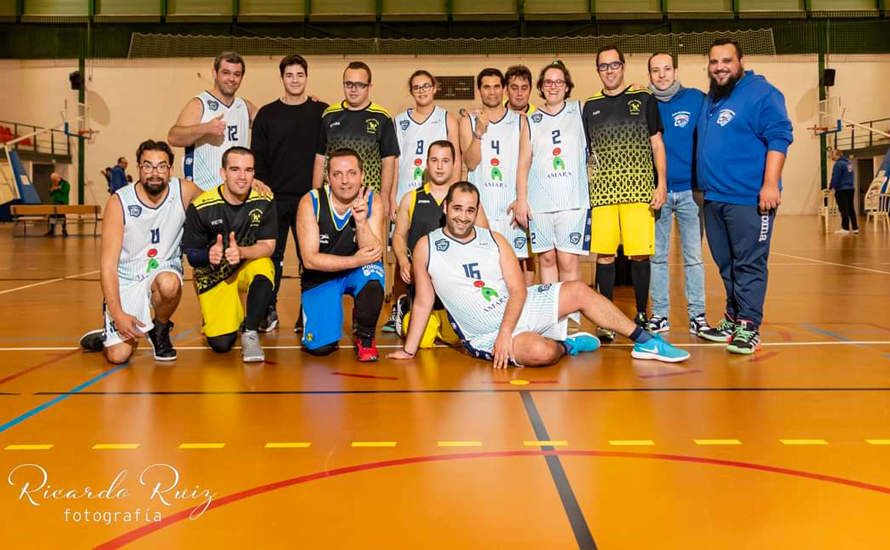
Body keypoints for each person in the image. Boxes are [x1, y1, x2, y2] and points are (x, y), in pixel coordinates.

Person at [388, 182, 689, 366]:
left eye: (470, 210)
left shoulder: (494, 239)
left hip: (519, 309)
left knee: (579, 290)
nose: (463, 216)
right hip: (485, 334)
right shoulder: (428, 246)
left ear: (476, 210)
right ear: (445, 207)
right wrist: (409, 351)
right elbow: (424, 302)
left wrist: (508, 330)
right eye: (457, 208)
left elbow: (519, 291)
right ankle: (566, 345)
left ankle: (646, 341)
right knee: (540, 353)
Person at [697, 38, 793, 355]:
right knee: (726, 264)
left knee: (749, 264)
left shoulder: (762, 93)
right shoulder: (715, 96)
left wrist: (770, 184)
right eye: (714, 62)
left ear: (741, 61)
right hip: (714, 197)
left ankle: (749, 325)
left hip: (749, 198)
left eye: (726, 61)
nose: (719, 67)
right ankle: (733, 316)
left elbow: (779, 137)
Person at [79, 140, 203, 364]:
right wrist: (117, 314)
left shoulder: (183, 191)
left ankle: (160, 330)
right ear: (138, 168)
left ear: (170, 169)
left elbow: (220, 201)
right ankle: (108, 335)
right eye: (148, 166)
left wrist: (255, 185)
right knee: (119, 356)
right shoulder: (119, 203)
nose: (154, 173)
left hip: (162, 269)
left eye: (161, 166)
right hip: (127, 276)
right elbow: (108, 266)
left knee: (170, 284)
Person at [582, 45, 668, 341]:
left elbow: (657, 143)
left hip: (639, 191)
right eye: (603, 66)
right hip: (604, 194)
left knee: (639, 256)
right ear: (598, 71)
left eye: (614, 65)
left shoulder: (644, 98)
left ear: (623, 66)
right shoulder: (590, 106)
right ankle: (606, 319)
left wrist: (662, 184)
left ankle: (642, 313)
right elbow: (588, 154)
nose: (609, 70)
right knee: (604, 257)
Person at [645, 52, 723, 341]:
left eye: (667, 69)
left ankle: (697, 317)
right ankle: (660, 315)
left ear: (675, 71)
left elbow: (713, 139)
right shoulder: (643, 103)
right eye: (656, 70)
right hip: (658, 193)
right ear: (649, 74)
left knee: (693, 257)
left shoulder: (696, 99)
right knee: (658, 258)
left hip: (691, 192)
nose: (662, 75)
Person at [251, 54, 329, 333]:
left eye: (299, 75)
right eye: (289, 75)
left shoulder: (322, 112)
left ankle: (306, 311)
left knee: (311, 259)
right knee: (273, 258)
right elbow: (257, 156)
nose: (295, 80)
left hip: (309, 200)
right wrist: (261, 185)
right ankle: (267, 310)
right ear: (282, 78)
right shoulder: (267, 114)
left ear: (306, 77)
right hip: (274, 199)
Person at [182, 147, 277, 363]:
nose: (242, 177)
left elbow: (268, 246)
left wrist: (241, 251)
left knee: (264, 266)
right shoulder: (201, 207)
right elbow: (192, 256)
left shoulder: (264, 200)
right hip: (215, 276)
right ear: (223, 173)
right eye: (235, 169)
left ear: (254, 173)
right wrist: (208, 255)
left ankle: (250, 332)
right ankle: (228, 313)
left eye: (248, 170)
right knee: (221, 345)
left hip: (245, 266)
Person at [298, 148, 385, 362]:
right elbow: (309, 260)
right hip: (321, 276)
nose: (345, 181)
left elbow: (374, 252)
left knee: (373, 275)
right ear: (328, 177)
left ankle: (365, 337)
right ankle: (320, 317)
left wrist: (362, 221)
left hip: (358, 272)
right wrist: (355, 260)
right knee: (320, 348)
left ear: (362, 175)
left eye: (352, 173)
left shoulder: (372, 199)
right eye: (337, 174)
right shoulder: (310, 202)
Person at [516, 60, 590, 289]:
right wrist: (521, 200)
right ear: (541, 86)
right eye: (548, 81)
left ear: (567, 86)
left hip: (573, 201)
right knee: (546, 260)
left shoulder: (579, 110)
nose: (553, 86)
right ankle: (552, 322)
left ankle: (570, 321)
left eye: (559, 81)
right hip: (540, 203)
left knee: (568, 261)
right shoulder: (532, 120)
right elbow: (523, 163)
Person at [391, 140, 467, 348]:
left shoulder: (464, 198)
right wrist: (403, 261)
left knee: (456, 339)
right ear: (427, 164)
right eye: (434, 160)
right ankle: (406, 306)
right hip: (422, 283)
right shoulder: (412, 198)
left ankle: (442, 322)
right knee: (423, 342)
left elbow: (484, 236)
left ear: (453, 164)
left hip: (452, 286)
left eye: (445, 161)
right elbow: (398, 236)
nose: (440, 166)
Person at [459, 68, 531, 270]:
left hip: (510, 207)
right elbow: (471, 163)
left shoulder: (521, 121)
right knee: (484, 266)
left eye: (497, 87)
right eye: (486, 87)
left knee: (516, 268)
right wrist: (479, 132)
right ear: (479, 90)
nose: (492, 92)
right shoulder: (468, 121)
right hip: (482, 207)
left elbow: (526, 165)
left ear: (504, 89)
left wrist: (522, 199)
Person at [313, 61, 399, 218]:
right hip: (333, 198)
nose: (353, 89)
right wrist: (316, 195)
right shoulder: (329, 115)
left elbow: (389, 162)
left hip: (368, 197)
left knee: (369, 242)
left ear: (369, 86)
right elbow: (320, 158)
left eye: (360, 84)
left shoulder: (382, 117)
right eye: (349, 84)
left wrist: (385, 197)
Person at [168, 51, 256, 191]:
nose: (231, 78)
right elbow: (173, 137)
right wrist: (205, 128)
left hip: (236, 193)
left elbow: (271, 127)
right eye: (226, 72)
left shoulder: (246, 106)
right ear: (215, 73)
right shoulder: (199, 103)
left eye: (237, 74)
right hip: (203, 190)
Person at [829, 148, 858, 234]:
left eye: (832, 155)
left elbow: (835, 177)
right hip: (850, 189)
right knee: (851, 208)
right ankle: (855, 227)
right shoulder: (849, 163)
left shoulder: (838, 164)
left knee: (843, 209)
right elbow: (851, 176)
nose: (831, 156)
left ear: (838, 155)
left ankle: (845, 228)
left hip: (841, 190)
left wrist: (831, 187)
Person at [45, 172, 70, 237]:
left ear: (58, 178)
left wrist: (58, 188)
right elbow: (50, 194)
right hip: (54, 203)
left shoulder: (65, 183)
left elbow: (65, 191)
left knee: (62, 216)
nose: (53, 181)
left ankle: (64, 230)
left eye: (54, 179)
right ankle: (52, 230)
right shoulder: (53, 184)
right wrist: (52, 190)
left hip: (62, 203)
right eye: (52, 180)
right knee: (52, 216)